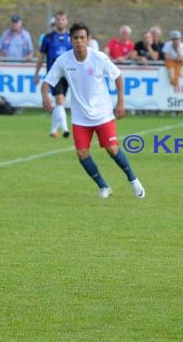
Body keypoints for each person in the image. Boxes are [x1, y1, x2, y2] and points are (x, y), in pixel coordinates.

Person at [40, 22, 145, 200]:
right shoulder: (64, 61)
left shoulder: (99, 58)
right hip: (80, 118)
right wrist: (45, 97)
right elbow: (46, 82)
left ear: (88, 39)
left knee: (112, 149)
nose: (79, 41)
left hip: (103, 114)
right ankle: (104, 186)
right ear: (70, 40)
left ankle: (133, 180)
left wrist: (120, 102)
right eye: (75, 38)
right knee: (82, 153)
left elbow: (118, 76)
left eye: (82, 38)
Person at [34, 11, 73, 138]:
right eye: (58, 19)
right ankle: (66, 129)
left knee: (60, 102)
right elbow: (41, 57)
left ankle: (53, 130)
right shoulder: (48, 38)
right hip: (54, 74)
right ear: (55, 22)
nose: (60, 21)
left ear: (66, 21)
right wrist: (36, 73)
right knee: (60, 100)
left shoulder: (72, 38)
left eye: (62, 19)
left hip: (69, 74)